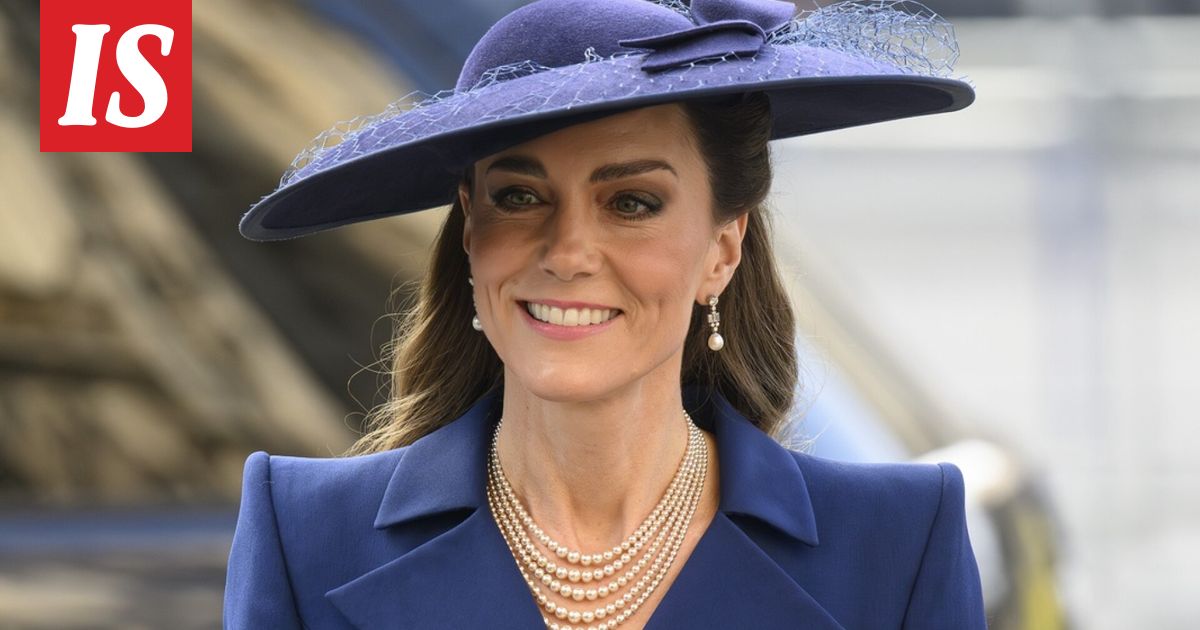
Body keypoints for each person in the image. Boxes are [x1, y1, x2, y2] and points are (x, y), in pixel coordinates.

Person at [224, 0, 986, 628]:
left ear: (722, 250)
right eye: (518, 197)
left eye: (631, 203)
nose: (567, 253)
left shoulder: (897, 542)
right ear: (470, 233)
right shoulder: (305, 531)